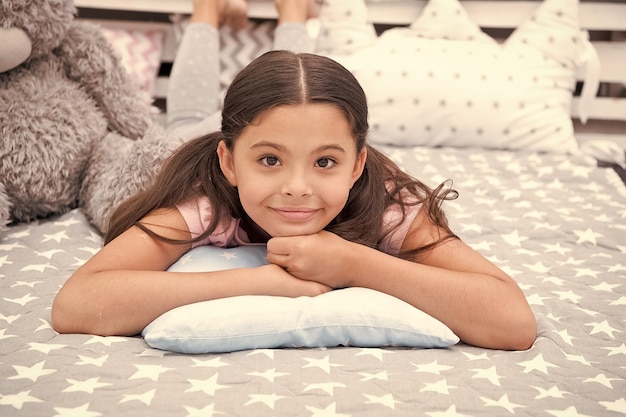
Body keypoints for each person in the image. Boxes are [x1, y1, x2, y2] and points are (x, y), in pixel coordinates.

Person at [51, 0, 537, 350]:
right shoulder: (207, 198)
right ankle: (206, 11)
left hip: (263, 135)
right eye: (269, 161)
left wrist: (354, 263)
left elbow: (512, 321)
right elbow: (76, 305)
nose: (297, 187)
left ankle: (292, 13)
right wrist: (259, 281)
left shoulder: (383, 202)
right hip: (192, 141)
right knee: (186, 119)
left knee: (296, 87)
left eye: (326, 162)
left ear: (357, 165)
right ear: (230, 162)